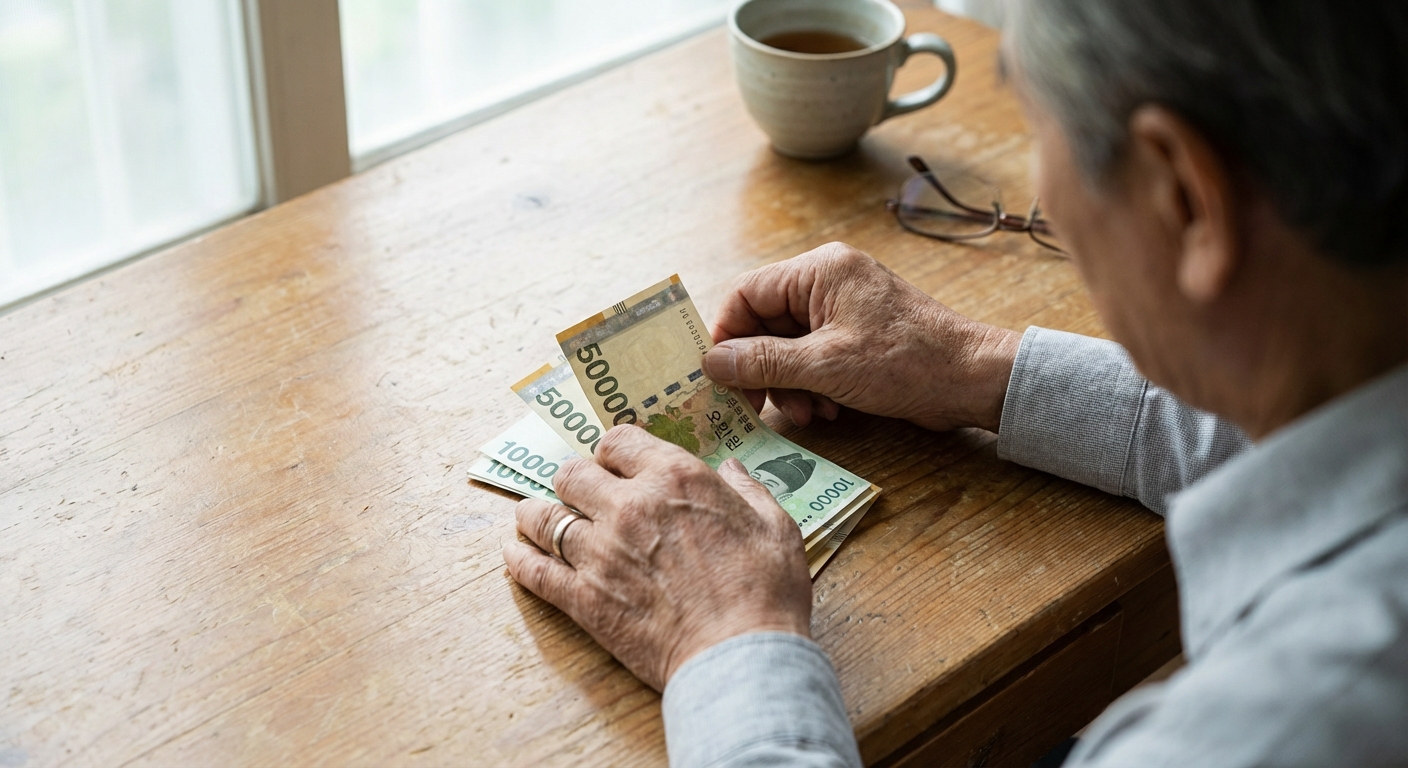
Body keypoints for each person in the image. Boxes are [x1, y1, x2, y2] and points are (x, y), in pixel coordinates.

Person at [501, 0, 1408, 764]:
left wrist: (728, 640)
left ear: (1183, 197)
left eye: (1038, 133)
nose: (1046, 199)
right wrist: (974, 367)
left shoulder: (1273, 730)